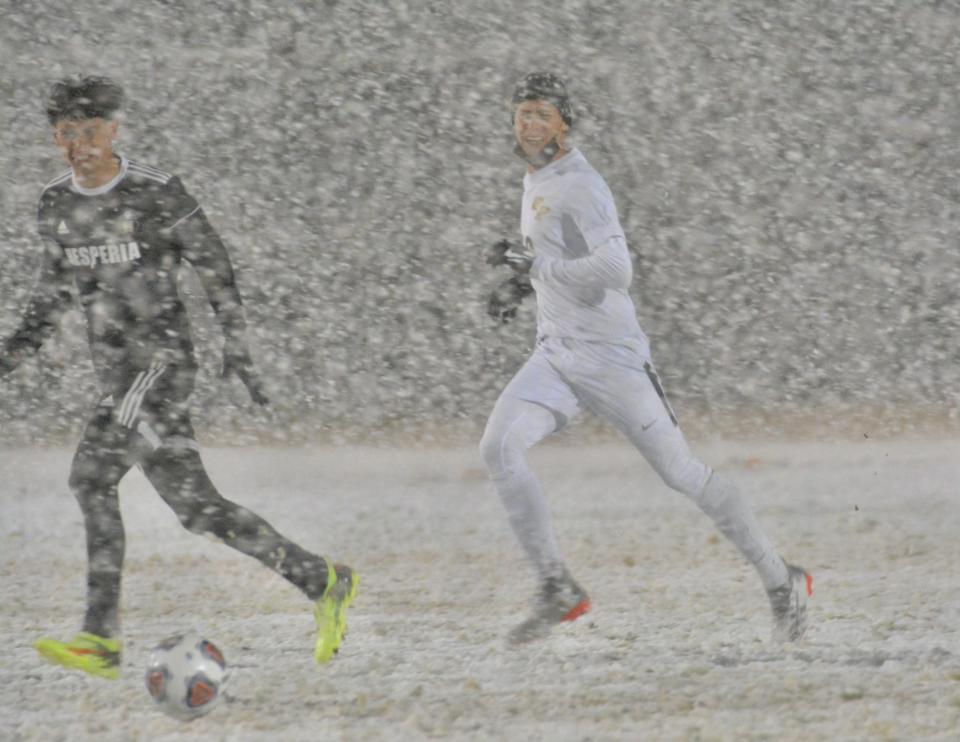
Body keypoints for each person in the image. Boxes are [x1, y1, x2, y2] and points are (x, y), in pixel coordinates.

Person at [0, 76, 357, 679]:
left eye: (89, 131)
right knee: (200, 510)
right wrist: (8, 358)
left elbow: (214, 262)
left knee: (91, 479)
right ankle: (322, 579)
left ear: (113, 131)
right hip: (121, 379)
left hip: (160, 366)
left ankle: (99, 638)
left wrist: (236, 343)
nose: (78, 144)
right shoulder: (56, 204)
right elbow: (50, 296)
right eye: (66, 134)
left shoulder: (155, 192)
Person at [481, 72, 811, 645]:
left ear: (564, 121)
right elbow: (561, 259)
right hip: (556, 357)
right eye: (521, 113)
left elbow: (616, 271)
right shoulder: (538, 177)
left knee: (682, 474)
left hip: (613, 360)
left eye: (540, 113)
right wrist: (522, 286)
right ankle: (557, 585)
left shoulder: (581, 184)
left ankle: (780, 577)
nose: (528, 123)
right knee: (498, 448)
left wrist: (535, 269)